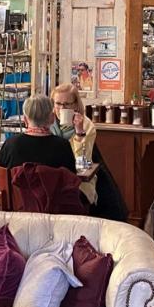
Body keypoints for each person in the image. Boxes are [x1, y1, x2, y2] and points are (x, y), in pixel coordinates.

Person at [51, 82, 128, 222]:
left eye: (67, 104)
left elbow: (82, 162)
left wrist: (79, 133)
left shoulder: (87, 126)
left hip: (78, 182)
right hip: (53, 180)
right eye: (58, 104)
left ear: (75, 105)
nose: (61, 108)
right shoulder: (48, 124)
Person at [0, 94, 76, 193]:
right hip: (54, 207)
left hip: (16, 208)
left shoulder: (10, 145)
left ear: (25, 120)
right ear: (52, 118)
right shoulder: (63, 146)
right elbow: (72, 185)